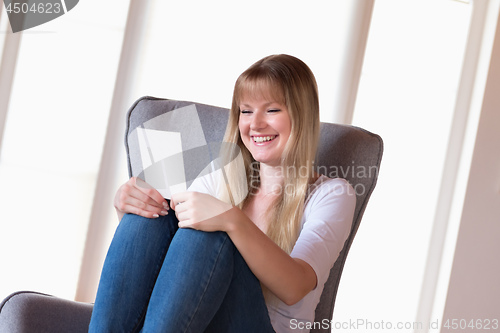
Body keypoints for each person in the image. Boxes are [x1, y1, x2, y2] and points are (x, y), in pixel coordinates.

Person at [88, 54, 356, 333]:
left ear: (302, 116)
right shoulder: (224, 176)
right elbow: (168, 257)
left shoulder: (332, 193)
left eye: (272, 110)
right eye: (246, 111)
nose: (256, 124)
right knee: (153, 216)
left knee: (209, 231)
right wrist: (130, 207)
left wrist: (232, 220)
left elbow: (295, 287)